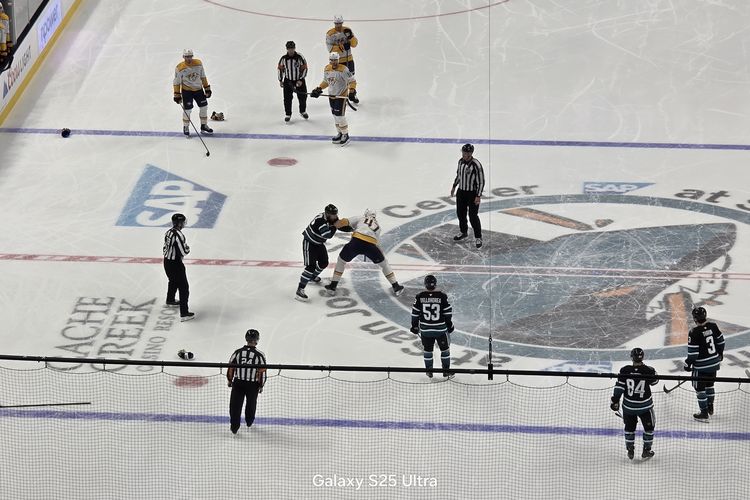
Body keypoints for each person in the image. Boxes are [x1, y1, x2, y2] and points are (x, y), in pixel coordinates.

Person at [324, 209, 404, 296]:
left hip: (356, 242)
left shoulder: (361, 218)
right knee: (384, 264)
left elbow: (343, 222)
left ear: (366, 214)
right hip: (370, 246)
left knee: (341, 261)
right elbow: (377, 243)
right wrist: (380, 256)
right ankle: (396, 286)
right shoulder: (378, 227)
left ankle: (333, 286)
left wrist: (332, 223)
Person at [610, 347, 658, 460]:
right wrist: (651, 371)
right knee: (649, 428)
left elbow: (619, 387)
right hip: (645, 406)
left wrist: (615, 400)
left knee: (629, 428)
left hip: (629, 407)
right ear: (643, 357)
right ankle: (647, 450)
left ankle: (630, 449)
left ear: (632, 357)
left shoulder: (625, 370)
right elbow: (655, 381)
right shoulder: (648, 370)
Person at [684, 306, 725, 421]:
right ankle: (710, 408)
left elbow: (693, 353)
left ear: (694, 318)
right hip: (714, 364)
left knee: (700, 389)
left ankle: (704, 413)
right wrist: (720, 354)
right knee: (709, 385)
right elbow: (721, 342)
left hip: (701, 367)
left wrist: (687, 364)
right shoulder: (713, 326)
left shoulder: (694, 332)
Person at [410, 275, 454, 379]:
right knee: (445, 350)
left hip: (426, 331)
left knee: (428, 350)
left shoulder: (419, 297)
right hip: (441, 330)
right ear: (435, 284)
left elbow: (415, 313)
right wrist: (450, 325)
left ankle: (429, 371)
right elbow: (448, 312)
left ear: (425, 284)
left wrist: (414, 326)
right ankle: (446, 371)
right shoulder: (442, 296)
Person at [296, 204, 340, 302]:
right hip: (309, 243)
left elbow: (338, 224)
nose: (335, 217)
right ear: (327, 214)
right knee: (310, 267)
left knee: (324, 263)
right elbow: (328, 235)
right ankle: (300, 289)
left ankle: (312, 277)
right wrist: (335, 226)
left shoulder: (330, 217)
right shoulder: (320, 221)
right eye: (333, 215)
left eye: (336, 214)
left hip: (318, 243)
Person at [310, 52, 355, 146]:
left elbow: (352, 81)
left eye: (335, 60)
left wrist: (352, 91)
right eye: (332, 60)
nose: (333, 62)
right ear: (329, 60)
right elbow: (326, 81)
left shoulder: (344, 70)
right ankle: (340, 133)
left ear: (338, 60)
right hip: (331, 96)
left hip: (341, 96)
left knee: (340, 116)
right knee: (335, 115)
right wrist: (319, 89)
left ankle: (345, 134)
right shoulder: (327, 68)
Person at [227, 329, 267, 434]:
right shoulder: (259, 355)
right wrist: (261, 385)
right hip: (252, 384)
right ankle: (249, 422)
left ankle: (234, 427)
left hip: (238, 383)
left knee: (235, 405)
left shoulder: (238, 352)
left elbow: (231, 367)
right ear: (257, 340)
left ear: (246, 339)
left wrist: (230, 380)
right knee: (251, 404)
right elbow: (262, 371)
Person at [450, 143, 485, 248]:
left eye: (466, 153)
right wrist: (454, 186)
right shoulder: (460, 161)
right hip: (461, 192)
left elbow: (481, 181)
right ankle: (463, 232)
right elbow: (459, 175)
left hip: (472, 194)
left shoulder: (476, 164)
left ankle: (478, 237)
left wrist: (478, 196)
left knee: (473, 216)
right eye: (463, 152)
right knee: (460, 214)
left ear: (471, 153)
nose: (464, 154)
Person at [173, 49, 213, 137]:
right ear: (183, 57)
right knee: (187, 110)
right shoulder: (179, 68)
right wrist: (177, 94)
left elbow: (203, 76)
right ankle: (186, 126)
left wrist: (207, 89)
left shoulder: (198, 63)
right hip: (187, 92)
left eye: (190, 56)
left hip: (198, 90)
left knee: (204, 107)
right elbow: (177, 82)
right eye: (187, 57)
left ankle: (204, 125)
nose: (189, 58)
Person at [163, 213, 194, 321]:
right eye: (183, 222)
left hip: (167, 261)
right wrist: (188, 248)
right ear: (180, 223)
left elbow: (165, 248)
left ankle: (170, 300)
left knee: (173, 281)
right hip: (175, 264)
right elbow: (184, 251)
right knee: (184, 288)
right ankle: (184, 313)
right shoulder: (179, 235)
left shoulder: (169, 232)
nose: (184, 224)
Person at [325, 15, 359, 103]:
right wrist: (342, 47)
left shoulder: (347, 30)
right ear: (334, 23)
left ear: (342, 23)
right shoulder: (330, 34)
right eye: (336, 23)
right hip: (337, 61)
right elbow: (330, 49)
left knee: (350, 78)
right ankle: (343, 95)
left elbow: (354, 44)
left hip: (349, 59)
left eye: (340, 23)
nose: (338, 25)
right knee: (340, 80)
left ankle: (352, 93)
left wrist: (351, 38)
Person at [277, 41, 309, 123]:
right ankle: (288, 114)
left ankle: (302, 111)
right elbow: (280, 69)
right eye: (289, 48)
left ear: (294, 48)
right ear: (287, 49)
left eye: (292, 48)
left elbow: (305, 68)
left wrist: (301, 79)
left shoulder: (300, 57)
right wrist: (280, 80)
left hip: (299, 80)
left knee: (303, 96)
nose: (291, 50)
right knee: (287, 98)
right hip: (288, 81)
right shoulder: (283, 58)